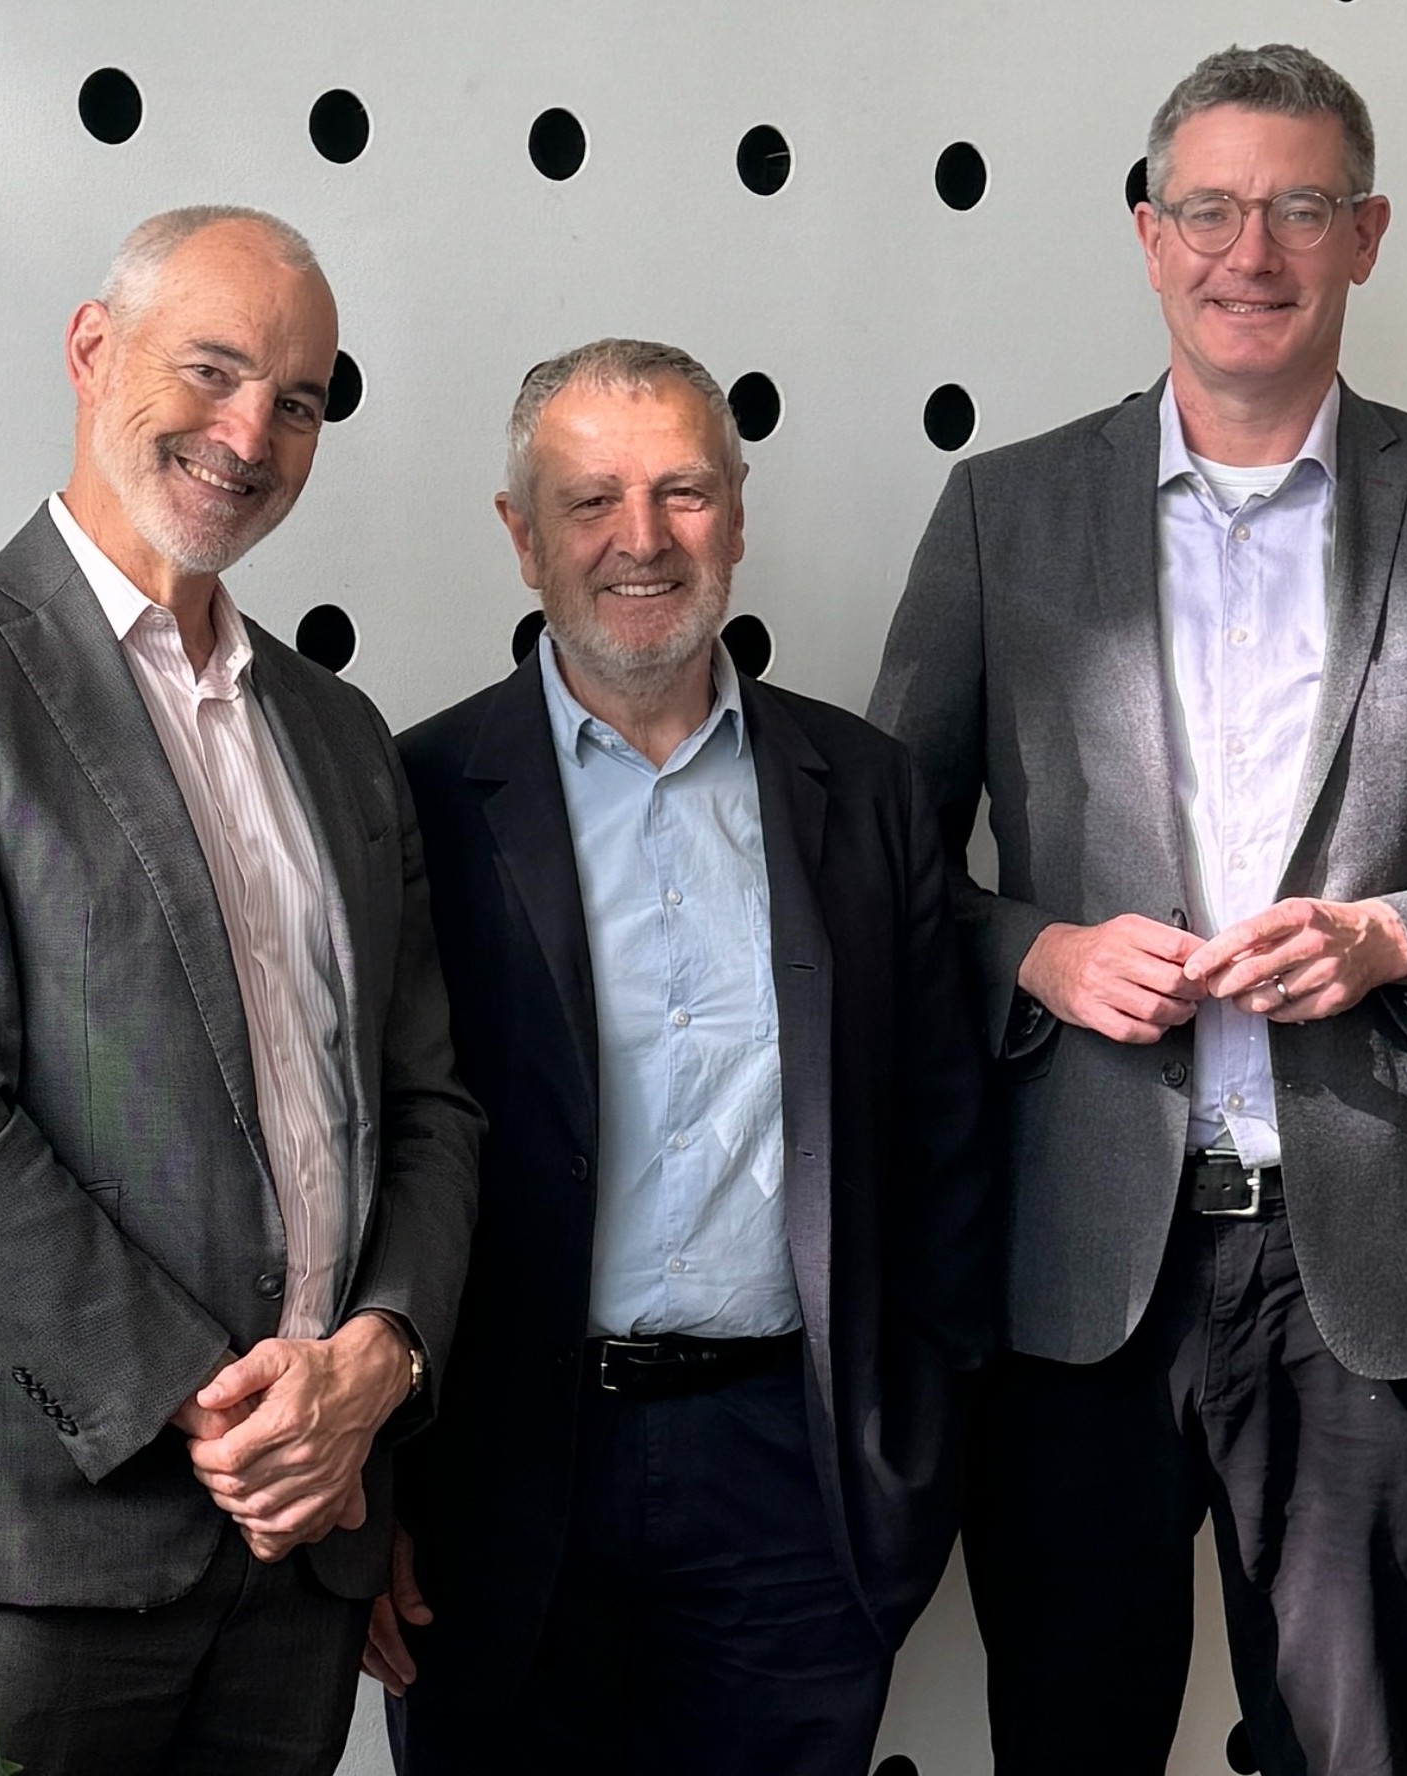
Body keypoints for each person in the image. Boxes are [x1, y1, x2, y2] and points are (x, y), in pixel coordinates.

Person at [869, 44, 1407, 1776]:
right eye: (1209, 208)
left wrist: (1392, 941)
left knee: (1358, 1751)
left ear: (1365, 235)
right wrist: (1044, 957)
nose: (1251, 250)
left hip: (1367, 1269)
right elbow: (888, 871)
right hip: (1076, 1265)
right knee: (1072, 1739)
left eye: (1299, 207)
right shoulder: (1003, 511)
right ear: (1146, 237)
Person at [0, 205, 480, 1776]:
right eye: (215, 369)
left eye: (296, 400)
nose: (250, 433)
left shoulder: (339, 730)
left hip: (305, 1550)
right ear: (93, 352)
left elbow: (427, 1103)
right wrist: (223, 1410)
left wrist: (378, 1362)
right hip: (28, 1557)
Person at [380, 339, 994, 1776]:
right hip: (498, 1480)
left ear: (736, 511)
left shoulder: (868, 792)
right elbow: (371, 1150)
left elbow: (942, 1144)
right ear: (519, 535)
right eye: (589, 500)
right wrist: (379, 1485)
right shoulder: (410, 798)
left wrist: (908, 1468)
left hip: (793, 1486)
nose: (640, 540)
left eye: (682, 493)